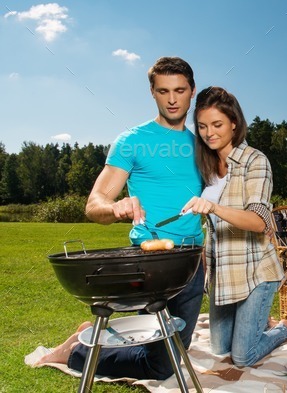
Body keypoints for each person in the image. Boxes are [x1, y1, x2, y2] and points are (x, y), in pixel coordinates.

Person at [36, 56, 206, 380]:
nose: (172, 99)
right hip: (151, 263)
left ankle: (97, 339)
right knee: (161, 367)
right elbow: (93, 203)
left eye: (180, 90)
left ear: (192, 91)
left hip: (193, 262)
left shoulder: (202, 147)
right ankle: (78, 350)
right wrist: (116, 207)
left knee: (172, 357)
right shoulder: (132, 140)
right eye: (163, 90)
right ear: (152, 93)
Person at [181, 86, 287, 366]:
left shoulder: (255, 161)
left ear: (234, 124)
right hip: (225, 275)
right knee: (220, 351)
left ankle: (282, 329)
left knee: (242, 357)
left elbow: (260, 221)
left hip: (256, 271)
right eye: (202, 126)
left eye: (217, 124)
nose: (209, 132)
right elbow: (211, 231)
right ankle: (256, 322)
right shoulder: (206, 167)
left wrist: (214, 207)